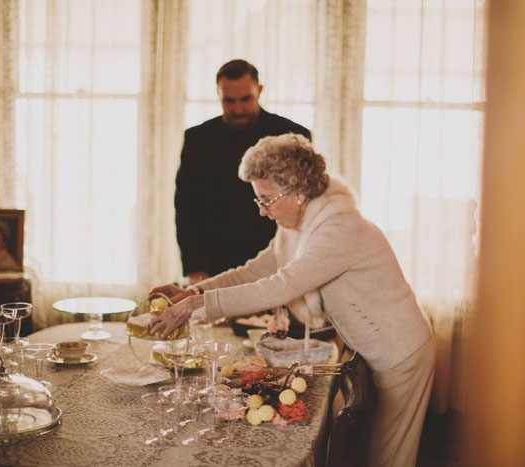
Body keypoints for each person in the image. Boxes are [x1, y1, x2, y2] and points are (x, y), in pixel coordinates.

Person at [150, 133, 436, 466]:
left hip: (403, 352)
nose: (262, 211)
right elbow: (258, 269)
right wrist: (194, 292)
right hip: (379, 348)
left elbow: (278, 285)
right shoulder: (300, 222)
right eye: (258, 200)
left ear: (298, 192)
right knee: (371, 451)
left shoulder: (339, 230)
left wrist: (198, 307)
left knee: (390, 456)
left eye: (266, 199)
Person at [175, 59, 311, 284]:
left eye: (246, 99)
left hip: (276, 260)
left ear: (259, 91)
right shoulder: (197, 139)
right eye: (229, 101)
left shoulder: (292, 135)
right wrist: (194, 267)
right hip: (214, 262)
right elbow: (185, 206)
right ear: (218, 94)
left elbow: (304, 203)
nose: (238, 109)